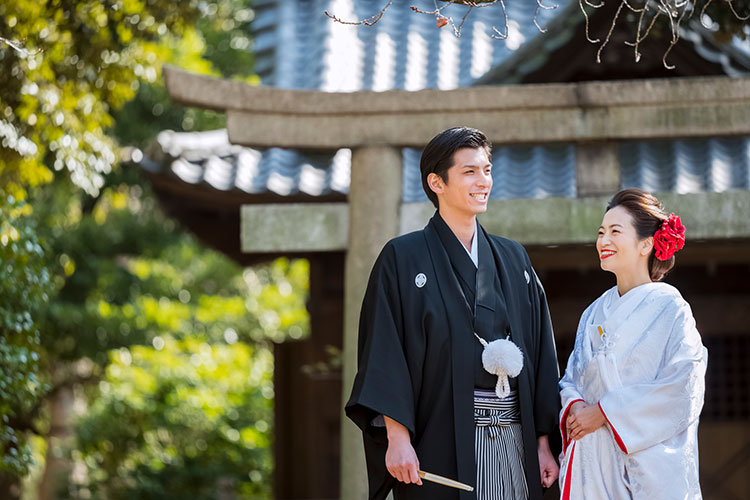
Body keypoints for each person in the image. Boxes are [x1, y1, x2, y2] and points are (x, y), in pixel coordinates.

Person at [345, 127, 561, 500]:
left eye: (487, 170)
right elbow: (385, 352)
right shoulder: (402, 258)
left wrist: (544, 442)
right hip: (440, 439)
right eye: (470, 172)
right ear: (436, 182)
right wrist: (397, 438)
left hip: (516, 438)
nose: (484, 181)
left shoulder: (514, 258)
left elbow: (541, 353)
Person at [558, 188, 708, 500]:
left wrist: (603, 413)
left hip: (644, 463)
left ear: (646, 244)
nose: (603, 241)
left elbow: (684, 386)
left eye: (615, 231)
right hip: (595, 461)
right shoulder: (593, 312)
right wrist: (575, 407)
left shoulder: (671, 309)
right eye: (601, 233)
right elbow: (572, 377)